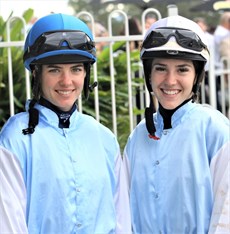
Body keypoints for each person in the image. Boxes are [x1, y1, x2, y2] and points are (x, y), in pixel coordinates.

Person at [0, 13, 131, 233]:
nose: (67, 81)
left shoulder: (103, 138)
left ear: (86, 73)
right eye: (54, 70)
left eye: (76, 69)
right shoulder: (14, 138)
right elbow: (8, 224)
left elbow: (122, 219)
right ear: (36, 73)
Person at [123, 15, 230, 233]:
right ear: (149, 75)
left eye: (182, 69)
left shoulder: (215, 130)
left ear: (197, 76)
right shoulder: (138, 136)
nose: (170, 80)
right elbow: (123, 214)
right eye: (161, 68)